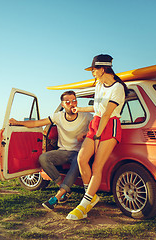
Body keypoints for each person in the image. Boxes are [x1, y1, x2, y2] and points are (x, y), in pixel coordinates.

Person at [66, 54, 128, 220]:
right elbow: (97, 110)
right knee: (82, 159)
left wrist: (98, 136)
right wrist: (80, 110)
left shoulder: (118, 88)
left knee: (97, 167)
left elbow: (107, 114)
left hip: (109, 126)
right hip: (97, 123)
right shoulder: (99, 85)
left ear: (102, 69)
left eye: (94, 69)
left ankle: (83, 206)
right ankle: (90, 196)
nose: (92, 72)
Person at [9, 91, 92, 210]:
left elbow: (98, 127)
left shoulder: (86, 116)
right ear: (62, 105)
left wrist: (85, 133)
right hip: (63, 151)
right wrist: (18, 122)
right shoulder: (57, 116)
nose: (72, 104)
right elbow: (37, 123)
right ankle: (62, 188)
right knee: (43, 158)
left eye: (74, 101)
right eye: (67, 102)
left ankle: (56, 198)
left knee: (77, 162)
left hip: (80, 152)